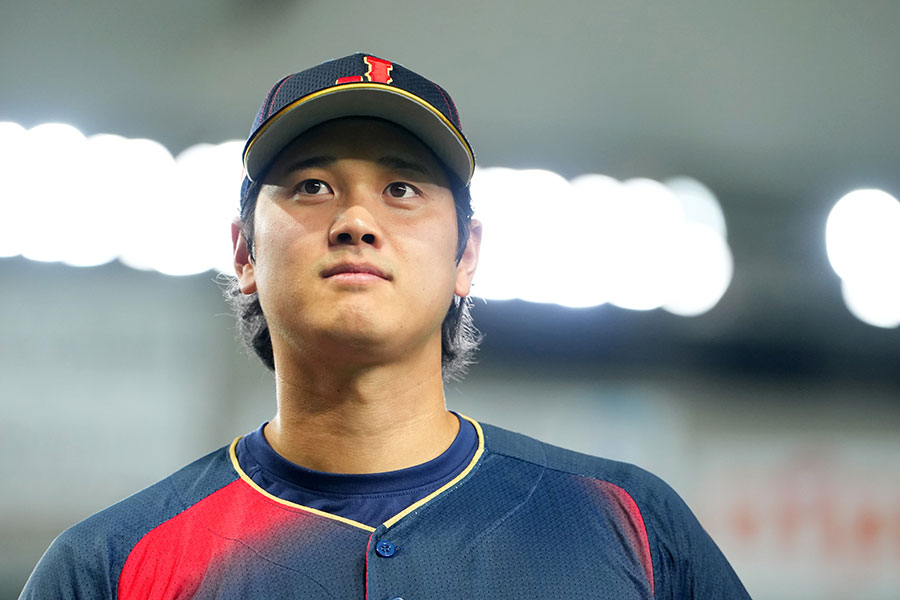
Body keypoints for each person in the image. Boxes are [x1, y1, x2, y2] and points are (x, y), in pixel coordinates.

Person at [20, 53, 750, 599]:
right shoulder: (110, 565)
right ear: (244, 253)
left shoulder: (629, 522)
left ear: (467, 255)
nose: (356, 221)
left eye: (401, 188)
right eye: (312, 186)